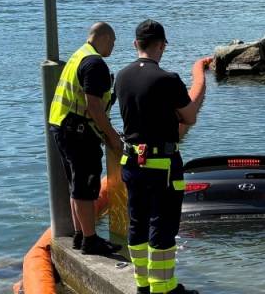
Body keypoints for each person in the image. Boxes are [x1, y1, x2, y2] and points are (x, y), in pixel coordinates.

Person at [115, 19, 212, 294]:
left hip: (132, 161)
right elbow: (189, 116)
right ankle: (165, 288)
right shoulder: (167, 79)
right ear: (161, 45)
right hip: (163, 166)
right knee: (163, 225)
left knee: (137, 222)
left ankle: (143, 284)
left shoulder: (121, 76)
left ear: (135, 44)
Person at [48, 22, 123, 256]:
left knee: (76, 185)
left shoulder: (79, 55)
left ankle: (81, 235)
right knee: (85, 187)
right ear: (103, 38)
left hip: (62, 125)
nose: (113, 46)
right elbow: (94, 107)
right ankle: (90, 240)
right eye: (112, 41)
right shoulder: (95, 63)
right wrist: (112, 136)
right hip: (78, 132)